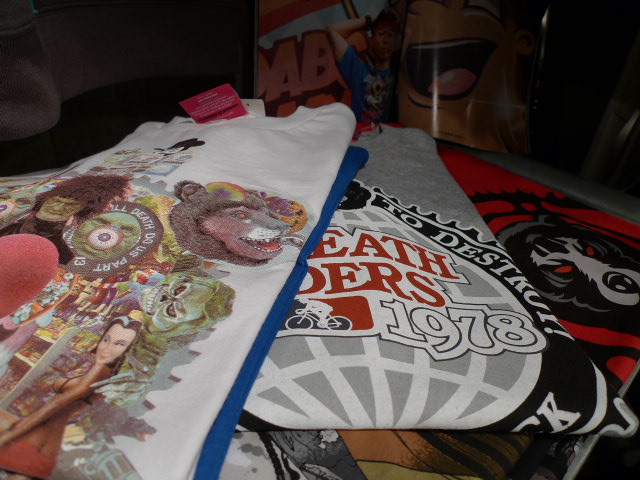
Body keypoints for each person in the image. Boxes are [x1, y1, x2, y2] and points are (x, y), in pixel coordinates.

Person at [0, 317, 142, 479]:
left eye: (119, 344)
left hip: (31, 444)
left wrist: (11, 435)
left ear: (129, 350)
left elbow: (52, 407)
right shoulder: (105, 374)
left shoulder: (99, 374)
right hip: (43, 446)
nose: (107, 348)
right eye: (106, 339)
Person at [0, 175, 130, 264]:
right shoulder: (7, 227)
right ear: (46, 199)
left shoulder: (62, 255)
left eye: (70, 205)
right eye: (56, 201)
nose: (58, 207)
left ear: (79, 211)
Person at [326, 9, 399, 124]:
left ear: (395, 43)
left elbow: (409, 33)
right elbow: (332, 30)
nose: (385, 40)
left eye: (390, 35)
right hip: (363, 133)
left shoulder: (401, 76)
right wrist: (370, 20)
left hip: (391, 133)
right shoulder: (359, 72)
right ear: (371, 41)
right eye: (380, 34)